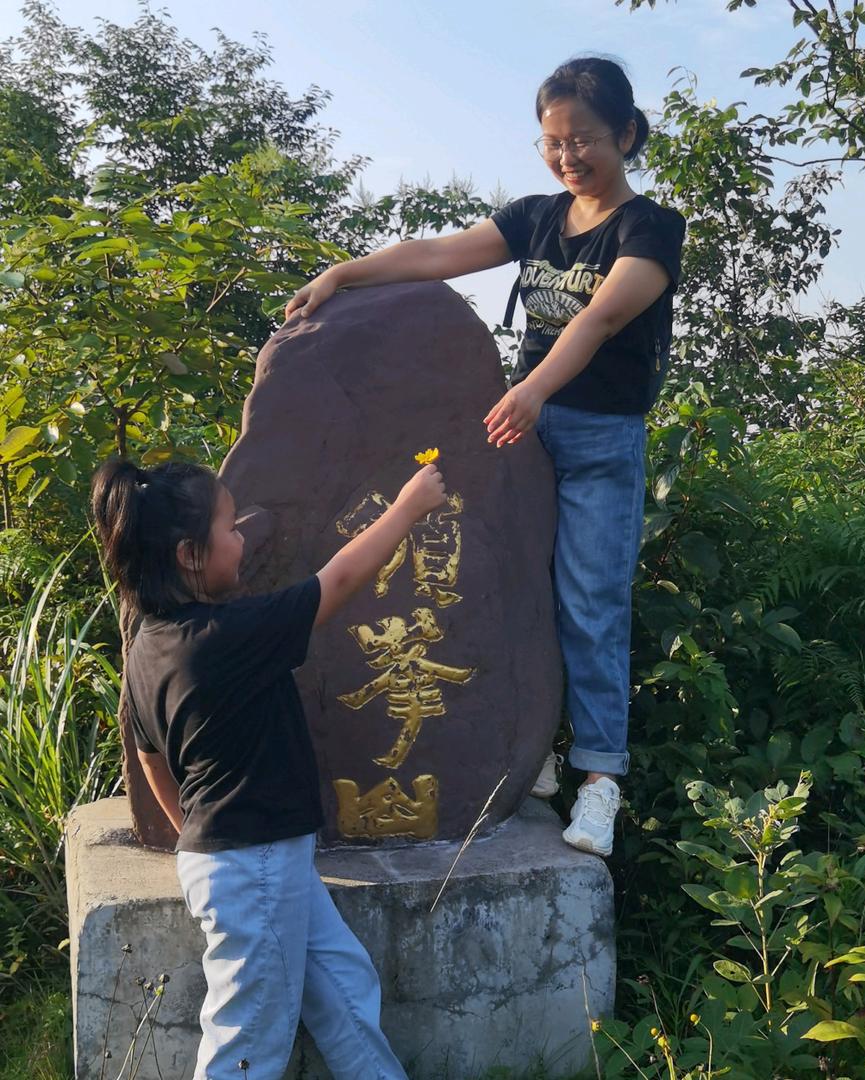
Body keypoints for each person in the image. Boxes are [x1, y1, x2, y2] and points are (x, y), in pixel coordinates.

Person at [284, 56, 686, 858]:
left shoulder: (649, 228)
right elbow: (436, 255)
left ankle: (600, 777)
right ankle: (531, 745)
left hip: (596, 436)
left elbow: (602, 317)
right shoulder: (537, 217)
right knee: (504, 588)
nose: (568, 156)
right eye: (552, 142)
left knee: (589, 602)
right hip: (518, 429)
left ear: (627, 134)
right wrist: (341, 274)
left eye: (584, 139)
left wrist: (533, 387)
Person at [92, 456, 446, 1079]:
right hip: (253, 861)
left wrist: (194, 833)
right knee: (247, 1041)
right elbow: (336, 582)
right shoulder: (224, 638)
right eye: (230, 528)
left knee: (341, 984)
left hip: (247, 857)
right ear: (189, 555)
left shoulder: (150, 646)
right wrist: (408, 508)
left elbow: (150, 759)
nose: (242, 539)